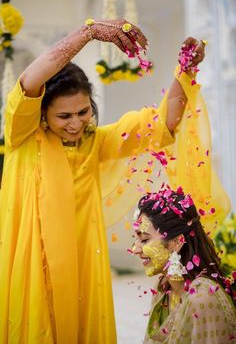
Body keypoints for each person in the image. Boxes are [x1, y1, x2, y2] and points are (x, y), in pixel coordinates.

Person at [0, 17, 207, 344]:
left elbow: (162, 123)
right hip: (33, 275)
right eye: (64, 116)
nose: (75, 123)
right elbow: (29, 81)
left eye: (83, 112)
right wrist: (89, 32)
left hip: (82, 272)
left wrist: (185, 71)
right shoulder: (23, 136)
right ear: (42, 114)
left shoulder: (94, 142)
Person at [132, 185, 236, 344]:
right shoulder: (163, 287)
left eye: (145, 240)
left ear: (176, 241)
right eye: (136, 239)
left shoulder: (203, 300)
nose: (135, 249)